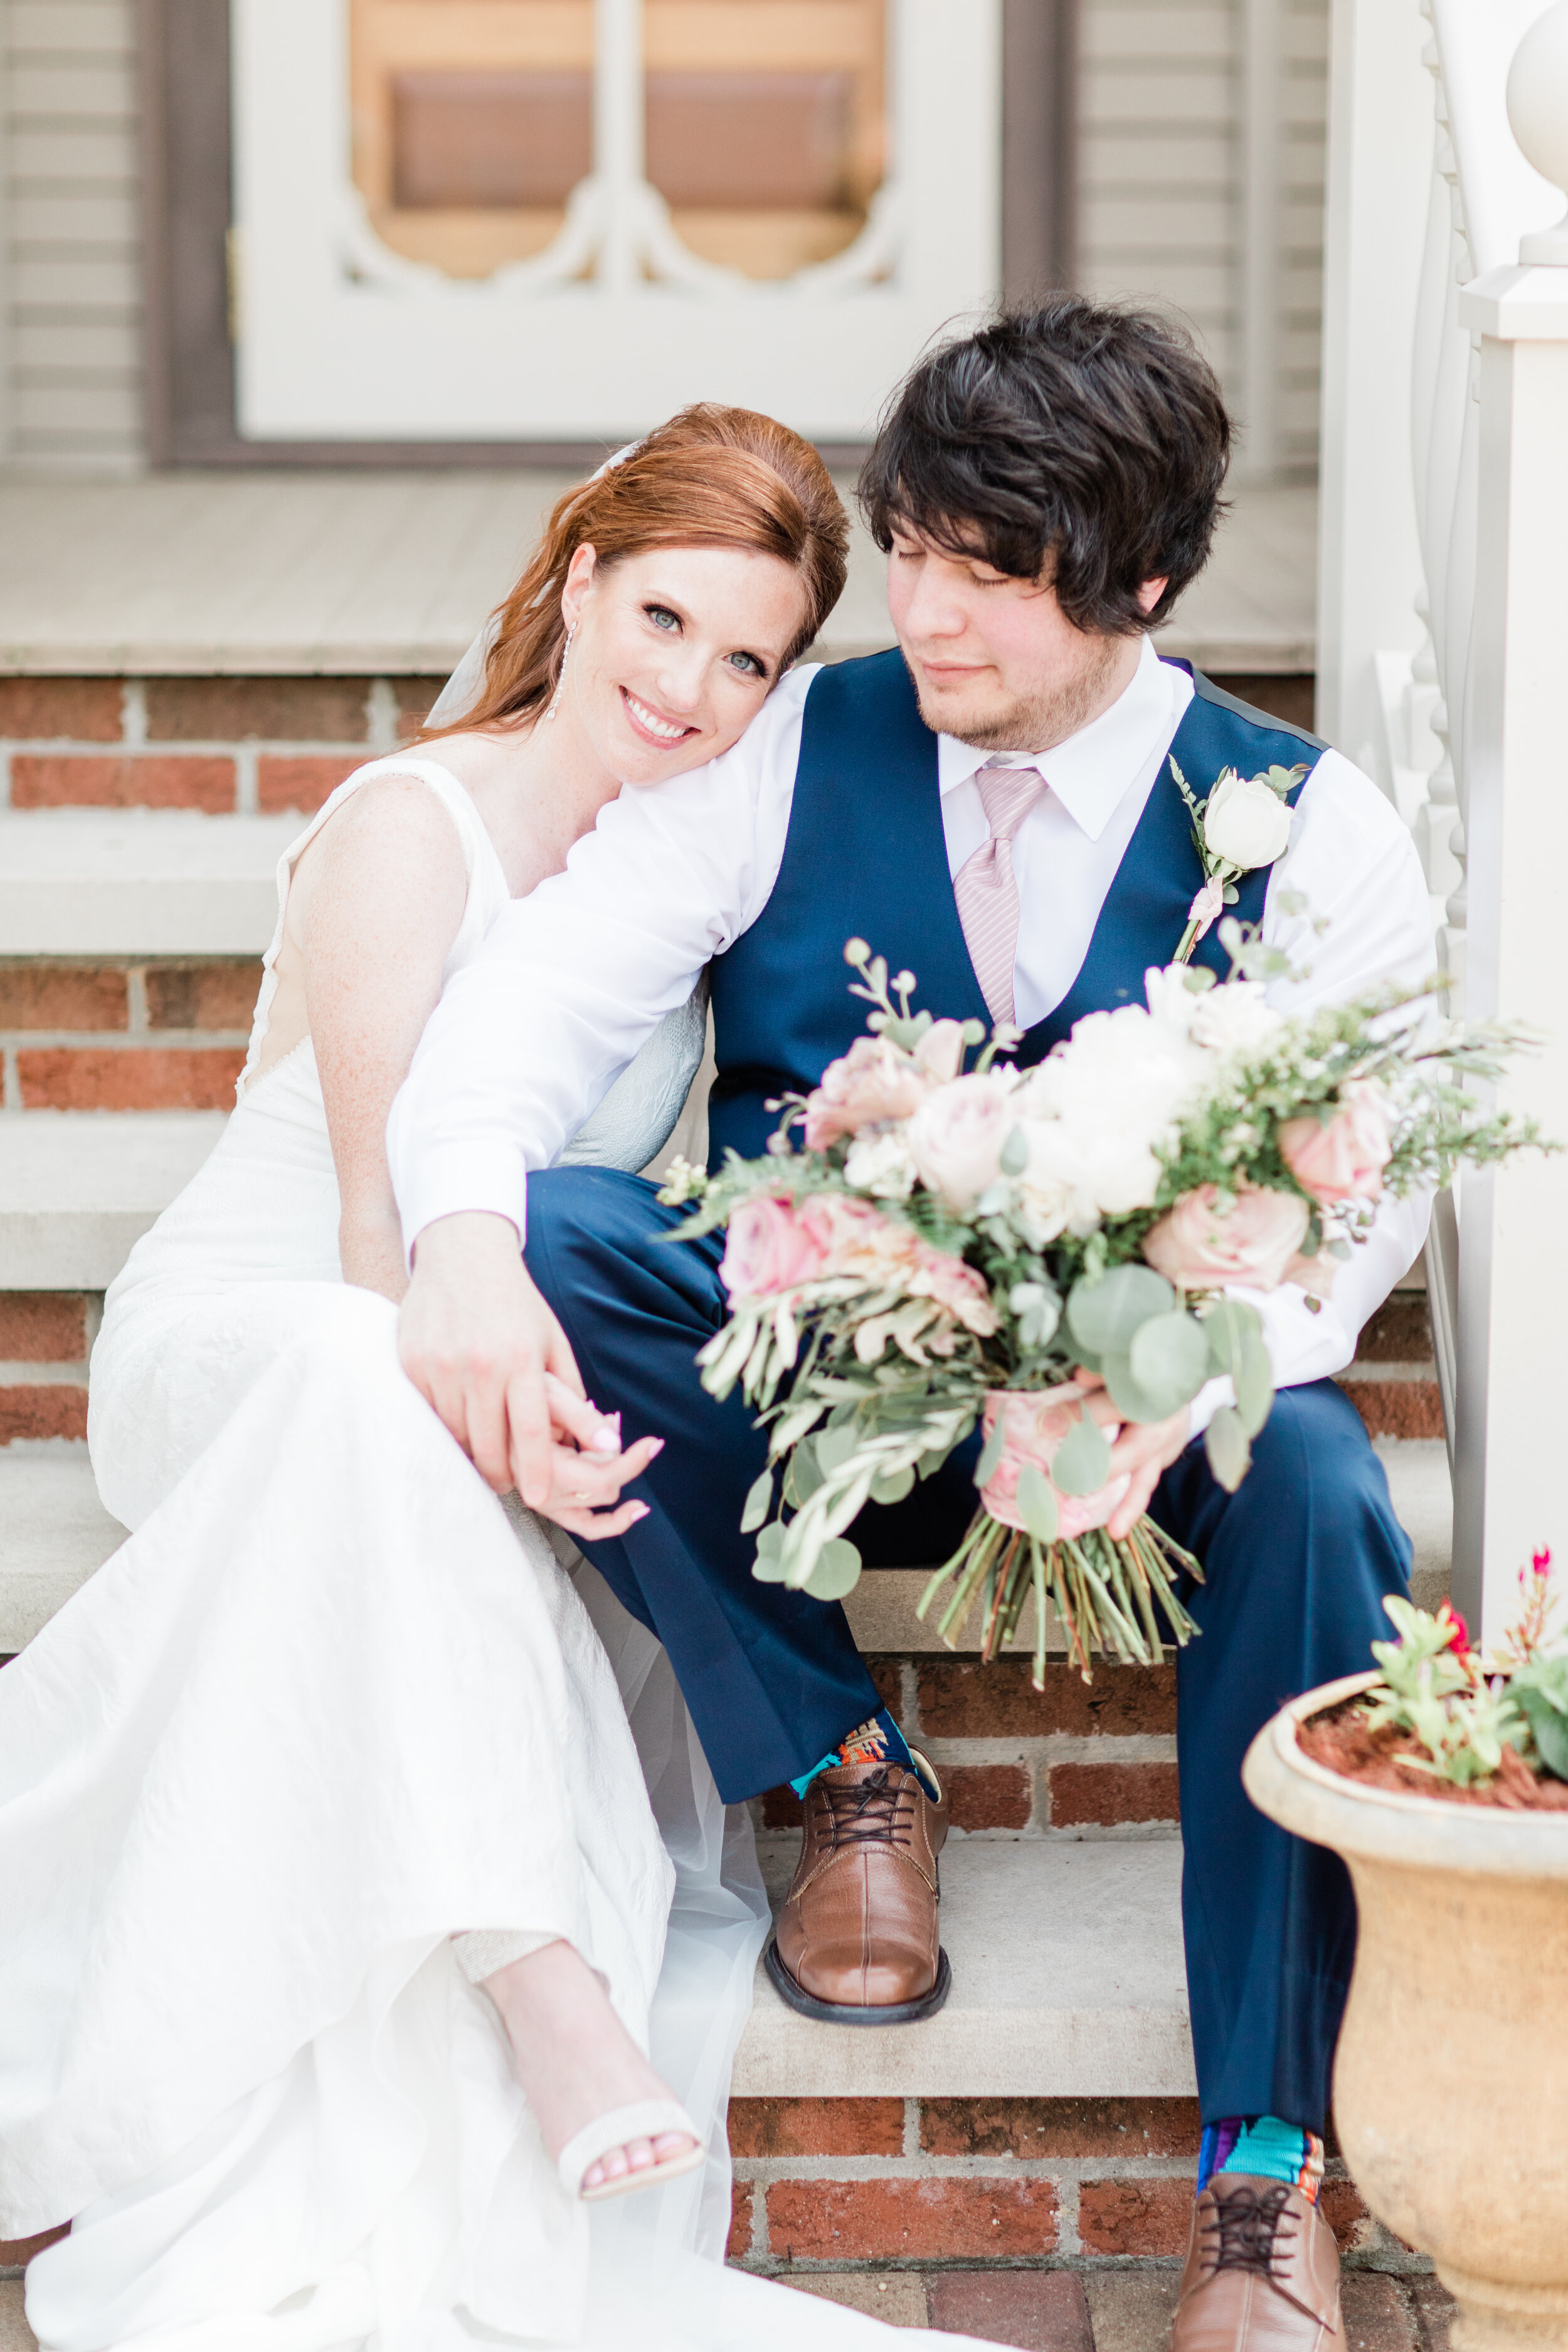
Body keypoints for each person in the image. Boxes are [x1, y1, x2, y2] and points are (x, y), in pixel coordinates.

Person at [390, 300, 1434, 2352]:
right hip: (822, 1368)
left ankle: (1260, 2172)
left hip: (1129, 1392)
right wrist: (453, 1233)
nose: (929, 614)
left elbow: (1380, 1166)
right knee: (575, 1237)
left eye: (994, 572)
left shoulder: (1302, 821)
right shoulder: (792, 750)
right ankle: (848, 1764)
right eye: (915, 551)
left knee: (1312, 1470)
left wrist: (1229, 1352)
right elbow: (536, 1006)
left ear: (1140, 580)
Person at [0, 407, 996, 2352]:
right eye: (663, 619)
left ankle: (523, 1957)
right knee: (367, 1387)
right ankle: (542, 1988)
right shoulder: (412, 826)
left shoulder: (680, 874)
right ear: (578, 581)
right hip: (266, 1336)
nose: (689, 688)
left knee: (440, 1432)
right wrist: (507, 1440)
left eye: (747, 660)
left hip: (449, 1394)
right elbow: (382, 1241)